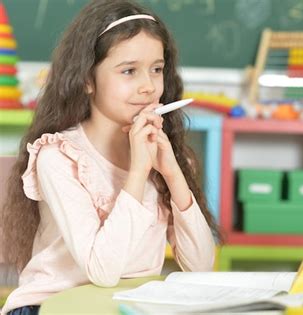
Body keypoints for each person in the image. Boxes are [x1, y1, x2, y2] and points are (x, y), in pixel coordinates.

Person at [0, 1, 220, 314]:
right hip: (47, 307)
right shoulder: (59, 157)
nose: (148, 87)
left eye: (156, 70)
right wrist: (138, 173)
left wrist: (173, 175)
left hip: (121, 307)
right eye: (129, 71)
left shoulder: (162, 156)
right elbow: (102, 271)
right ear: (87, 79)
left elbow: (200, 266)